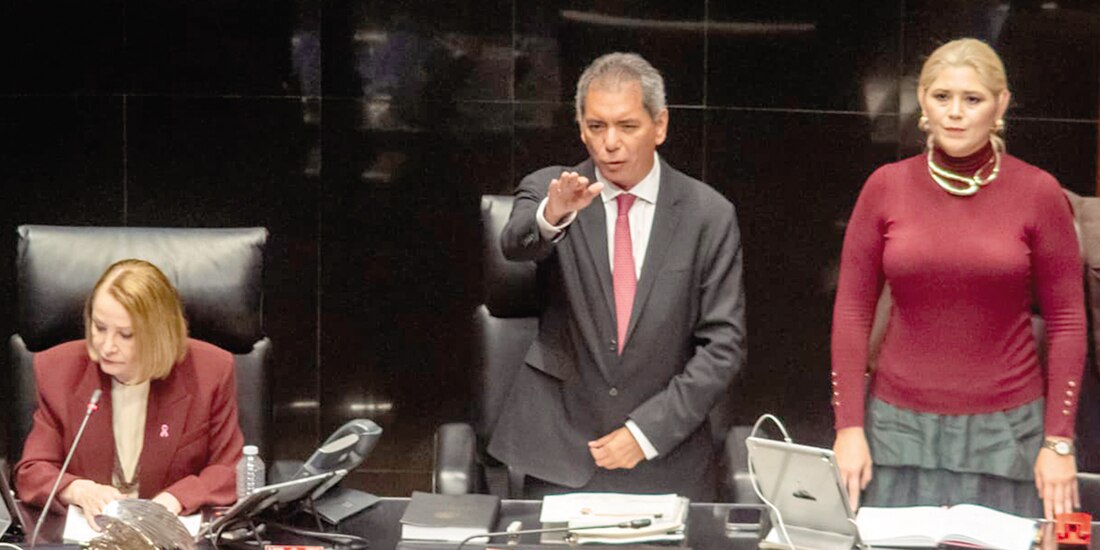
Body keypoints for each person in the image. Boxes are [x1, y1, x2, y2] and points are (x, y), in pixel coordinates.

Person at [831, 38, 1085, 520]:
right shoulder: (885, 186)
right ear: (922, 100)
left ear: (1001, 105)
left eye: (973, 99)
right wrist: (848, 427)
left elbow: (1068, 321)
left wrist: (1059, 441)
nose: (955, 113)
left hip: (1008, 433)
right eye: (942, 96)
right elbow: (851, 312)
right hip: (895, 430)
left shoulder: (1038, 192)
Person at [486, 52, 746, 501]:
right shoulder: (553, 190)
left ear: (659, 126)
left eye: (627, 126)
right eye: (596, 126)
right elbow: (516, 243)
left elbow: (723, 347)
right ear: (581, 129)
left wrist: (647, 433)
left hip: (667, 461)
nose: (610, 143)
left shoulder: (708, 214)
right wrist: (553, 215)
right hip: (562, 458)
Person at [15, 259, 244, 527]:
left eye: (125, 335)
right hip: (89, 536)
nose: (107, 347)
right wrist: (79, 490)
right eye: (100, 328)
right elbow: (32, 471)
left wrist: (175, 499)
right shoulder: (59, 370)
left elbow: (231, 469)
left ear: (159, 333)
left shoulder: (209, 370)